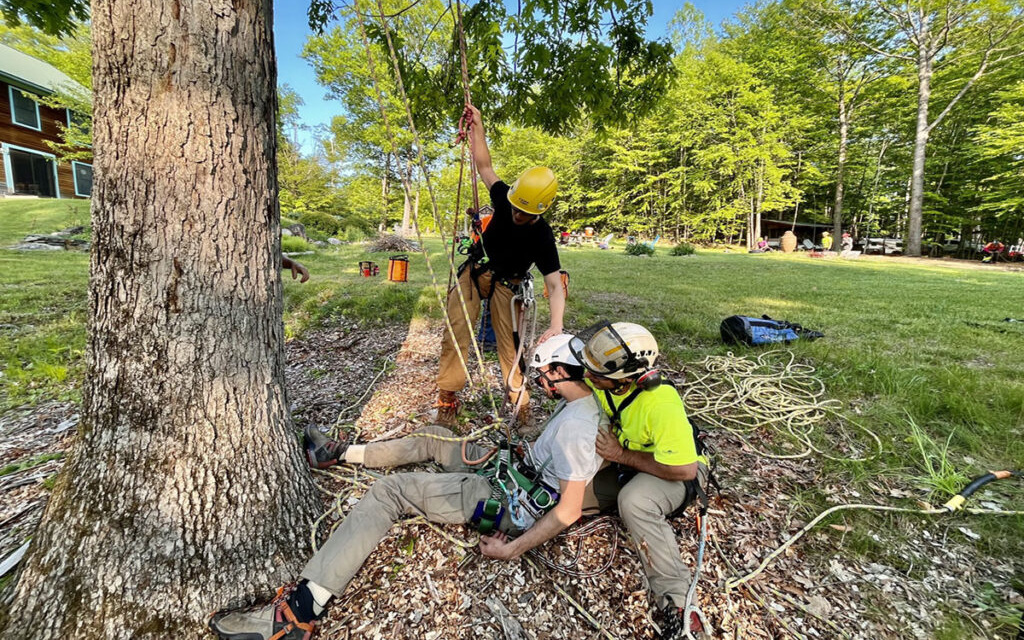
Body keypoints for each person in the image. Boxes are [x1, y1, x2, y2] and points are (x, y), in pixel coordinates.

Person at [208, 335, 603, 640]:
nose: (541, 381)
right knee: (435, 436)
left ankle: (299, 612)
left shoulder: (576, 430)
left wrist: (510, 549)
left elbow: (567, 510)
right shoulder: (582, 403)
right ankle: (339, 453)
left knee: (389, 492)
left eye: (543, 373)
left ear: (558, 372)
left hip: (506, 501)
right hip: (512, 471)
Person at [570, 321, 710, 639]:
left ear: (625, 380)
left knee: (634, 501)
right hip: (629, 461)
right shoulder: (603, 382)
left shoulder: (660, 404)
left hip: (676, 470)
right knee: (569, 494)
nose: (588, 377)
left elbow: (684, 469)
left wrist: (621, 455)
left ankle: (679, 606)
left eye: (596, 373)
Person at [436, 104, 566, 425]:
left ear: (540, 212)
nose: (517, 216)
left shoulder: (543, 237)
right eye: (515, 209)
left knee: (511, 349)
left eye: (525, 214)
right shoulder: (506, 197)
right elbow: (484, 165)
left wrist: (556, 324)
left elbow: (554, 284)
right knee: (456, 330)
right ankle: (447, 398)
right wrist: (477, 125)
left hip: (507, 287)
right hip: (475, 272)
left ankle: (520, 405)